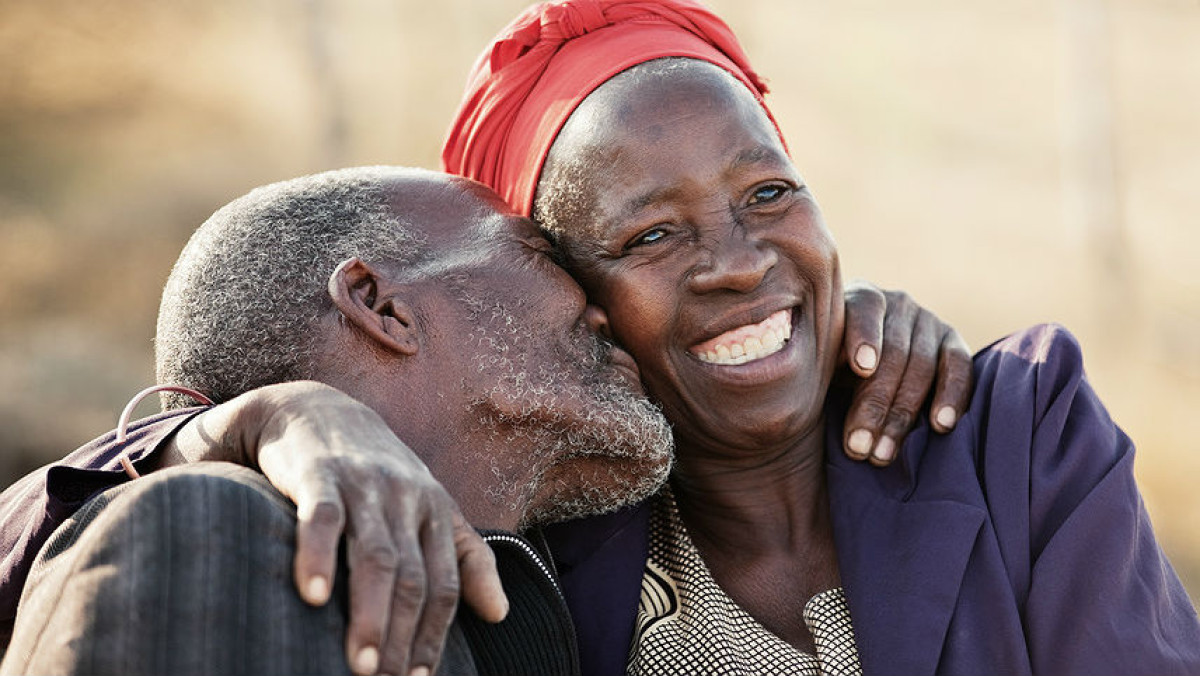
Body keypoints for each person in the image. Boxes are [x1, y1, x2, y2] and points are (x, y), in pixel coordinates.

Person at [440, 1, 1200, 674]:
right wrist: (317, 413)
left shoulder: (1015, 433)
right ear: (571, 299)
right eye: (652, 235)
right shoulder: (531, 562)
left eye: (768, 194)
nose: (739, 264)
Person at [1, 166, 678, 676]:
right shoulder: (216, 529)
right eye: (539, 253)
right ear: (378, 305)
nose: (601, 307)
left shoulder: (507, 610)